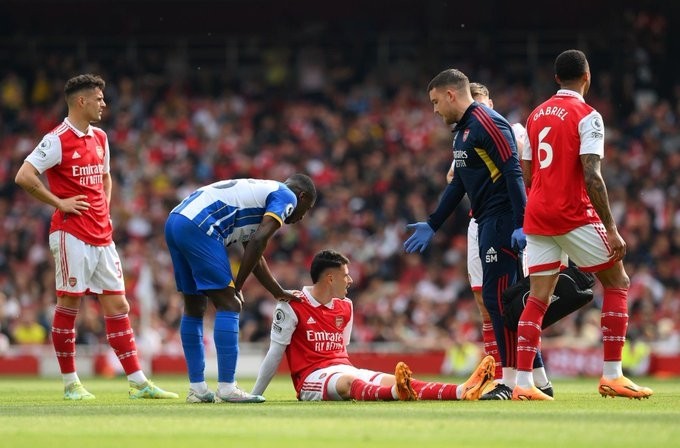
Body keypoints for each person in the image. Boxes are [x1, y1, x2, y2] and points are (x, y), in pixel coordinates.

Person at [14, 74, 177, 400]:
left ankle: (138, 382)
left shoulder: (100, 137)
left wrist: (105, 210)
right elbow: (24, 175)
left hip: (102, 234)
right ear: (81, 101)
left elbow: (105, 177)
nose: (104, 104)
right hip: (70, 234)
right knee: (69, 303)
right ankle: (71, 383)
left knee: (119, 303)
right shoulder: (57, 139)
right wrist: (59, 202)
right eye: (99, 99)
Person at [513, 49, 653, 400]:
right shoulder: (588, 116)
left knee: (538, 298)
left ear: (556, 78)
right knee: (618, 281)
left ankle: (523, 383)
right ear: (587, 77)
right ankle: (613, 375)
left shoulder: (535, 115)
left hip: (537, 213)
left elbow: (527, 172)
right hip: (572, 212)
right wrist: (612, 229)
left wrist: (545, 194)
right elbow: (592, 175)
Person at [404, 69, 527, 400]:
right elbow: (459, 183)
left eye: (435, 102)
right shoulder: (462, 132)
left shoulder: (489, 123)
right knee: (498, 299)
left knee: (499, 298)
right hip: (486, 220)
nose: (434, 110)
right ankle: (529, 380)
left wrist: (521, 222)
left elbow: (513, 171)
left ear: (451, 95)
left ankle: (510, 381)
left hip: (502, 219)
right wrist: (433, 223)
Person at [251, 249, 495, 401]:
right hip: (311, 378)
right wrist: (255, 394)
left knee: (395, 380)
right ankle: (397, 393)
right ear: (330, 278)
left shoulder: (346, 306)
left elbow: (342, 348)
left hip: (344, 368)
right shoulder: (292, 304)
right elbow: (275, 352)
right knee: (350, 383)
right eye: (346, 275)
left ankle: (461, 391)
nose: (350, 279)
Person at [164, 174, 316, 403]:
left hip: (177, 220)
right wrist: (238, 287)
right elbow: (258, 242)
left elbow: (255, 252)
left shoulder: (258, 196)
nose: (302, 216)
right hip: (201, 225)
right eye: (307, 209)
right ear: (302, 196)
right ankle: (227, 387)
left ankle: (197, 389)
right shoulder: (287, 196)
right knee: (230, 304)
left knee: (194, 306)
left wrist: (276, 291)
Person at [445, 82, 552, 399]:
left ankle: (518, 377)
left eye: (480, 104)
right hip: (479, 222)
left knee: (510, 301)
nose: (476, 111)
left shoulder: (511, 130)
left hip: (510, 218)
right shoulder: (466, 135)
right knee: (486, 303)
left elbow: (518, 170)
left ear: (490, 103)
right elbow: (453, 177)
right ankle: (506, 376)